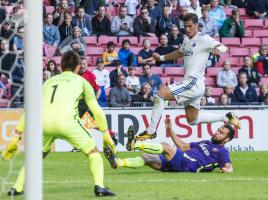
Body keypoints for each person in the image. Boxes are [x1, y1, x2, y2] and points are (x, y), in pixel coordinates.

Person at [2, 51, 116, 197]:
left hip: (44, 123)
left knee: (36, 156)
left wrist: (16, 137)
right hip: (67, 122)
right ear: (78, 66)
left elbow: (30, 109)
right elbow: (97, 110)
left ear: (61, 66)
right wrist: (106, 134)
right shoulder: (82, 82)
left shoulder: (48, 82)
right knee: (93, 152)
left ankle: (17, 187)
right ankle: (99, 186)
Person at [134, 13, 240, 141]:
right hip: (194, 84)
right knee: (192, 120)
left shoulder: (204, 38)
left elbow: (223, 47)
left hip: (193, 82)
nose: (187, 29)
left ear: (197, 26)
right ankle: (225, 117)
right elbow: (180, 52)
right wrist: (161, 58)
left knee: (160, 95)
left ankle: (151, 131)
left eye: (190, 26)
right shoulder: (186, 39)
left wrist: (218, 50)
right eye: (185, 26)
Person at [104, 118, 235, 174]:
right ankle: (118, 162)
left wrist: (228, 170)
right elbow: (183, 146)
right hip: (182, 159)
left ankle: (134, 145)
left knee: (165, 146)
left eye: (221, 133)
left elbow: (228, 166)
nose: (217, 132)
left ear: (227, 139)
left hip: (189, 165)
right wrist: (170, 129)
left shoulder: (223, 151)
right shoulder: (206, 142)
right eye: (218, 130)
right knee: (147, 158)